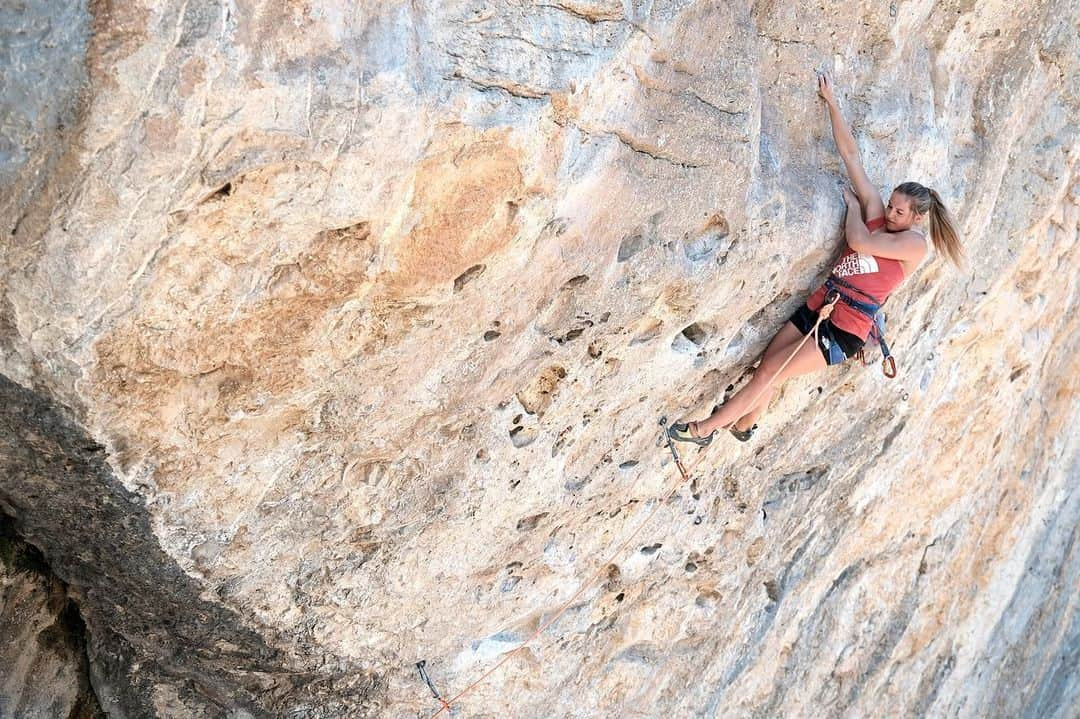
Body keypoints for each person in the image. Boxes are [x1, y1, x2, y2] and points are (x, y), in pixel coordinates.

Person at [668, 72, 964, 446]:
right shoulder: (879, 213)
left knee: (769, 374)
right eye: (890, 205)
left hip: (844, 330)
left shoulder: (913, 246)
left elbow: (859, 239)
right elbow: (852, 155)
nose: (890, 213)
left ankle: (702, 431)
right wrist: (832, 103)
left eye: (900, 212)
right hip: (820, 304)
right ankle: (744, 425)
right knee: (769, 369)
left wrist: (855, 208)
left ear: (917, 218)